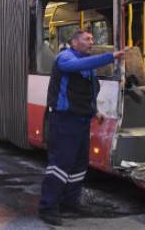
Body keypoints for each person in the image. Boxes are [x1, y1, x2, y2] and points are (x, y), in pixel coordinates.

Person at [38, 30, 127, 226]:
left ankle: (70, 201)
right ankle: (48, 207)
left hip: (81, 121)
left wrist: (94, 111)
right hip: (63, 121)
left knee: (79, 164)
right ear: (74, 41)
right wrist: (110, 56)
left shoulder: (88, 66)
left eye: (92, 39)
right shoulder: (65, 58)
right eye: (87, 39)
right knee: (61, 164)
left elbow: (88, 92)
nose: (91, 42)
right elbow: (78, 66)